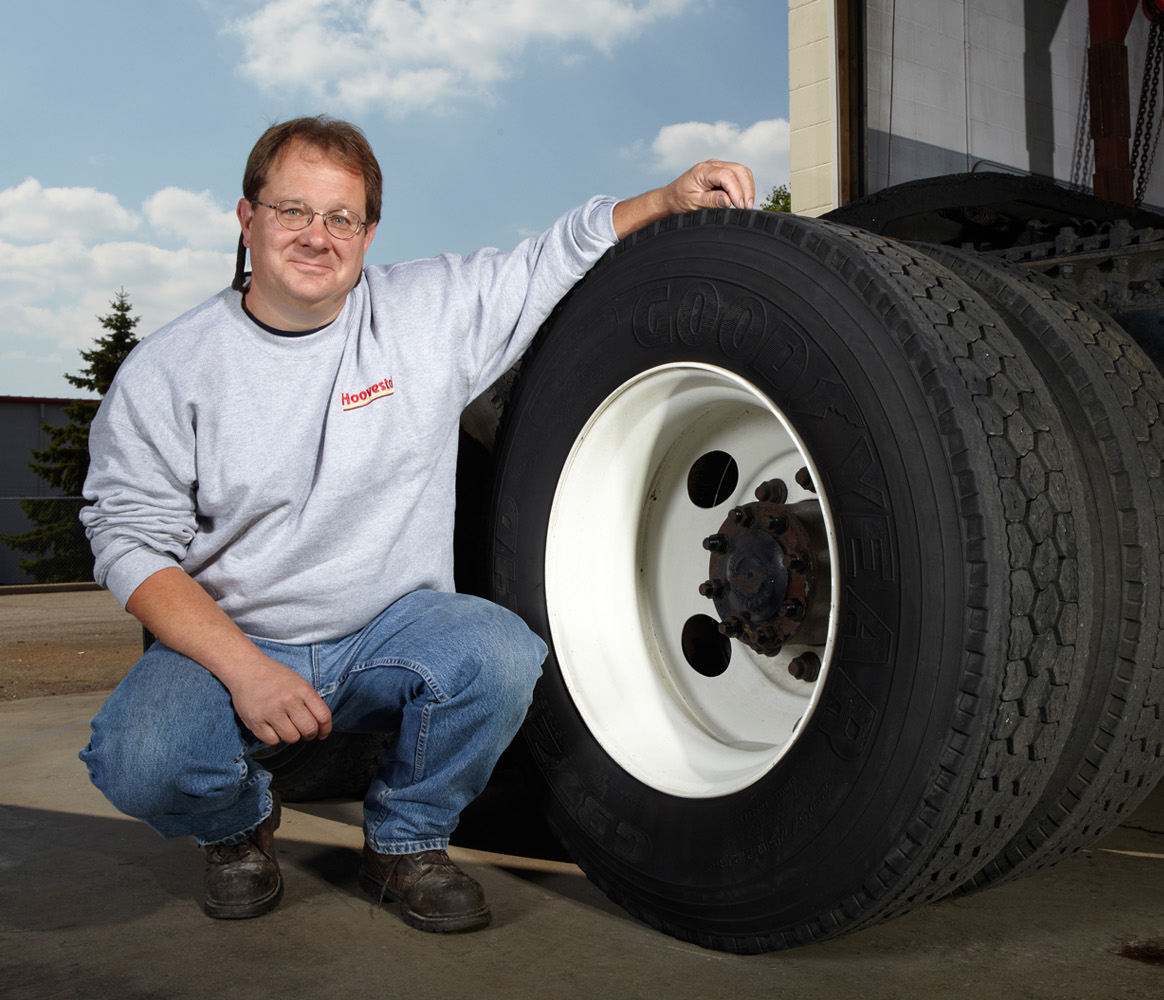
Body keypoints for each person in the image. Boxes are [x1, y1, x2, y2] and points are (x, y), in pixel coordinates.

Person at [77, 116, 754, 933]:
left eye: (341, 218)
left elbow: (552, 254)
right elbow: (129, 544)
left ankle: (406, 841)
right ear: (247, 218)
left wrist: (666, 198)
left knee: (500, 653)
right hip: (237, 636)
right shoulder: (169, 370)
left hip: (389, 629)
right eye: (293, 211)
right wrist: (247, 672)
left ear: (368, 233)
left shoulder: (423, 315)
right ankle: (235, 827)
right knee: (138, 758)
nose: (316, 237)